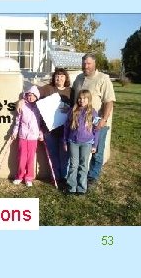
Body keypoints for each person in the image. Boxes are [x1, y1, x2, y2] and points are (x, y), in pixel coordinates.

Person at [70, 53, 115, 184]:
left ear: (95, 64)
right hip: (80, 123)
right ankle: (79, 174)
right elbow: (74, 98)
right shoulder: (78, 78)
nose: (86, 66)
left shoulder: (103, 79)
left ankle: (92, 177)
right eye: (84, 63)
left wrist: (103, 120)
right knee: (81, 149)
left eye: (89, 63)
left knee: (97, 152)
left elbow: (109, 101)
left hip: (97, 122)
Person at [63, 89, 100, 195]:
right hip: (72, 142)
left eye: (84, 98)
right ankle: (71, 187)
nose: (81, 100)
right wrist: (65, 141)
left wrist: (94, 144)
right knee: (73, 165)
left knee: (83, 165)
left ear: (89, 100)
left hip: (87, 143)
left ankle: (81, 188)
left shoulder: (93, 112)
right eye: (80, 98)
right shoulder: (72, 111)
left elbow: (96, 129)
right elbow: (66, 128)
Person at [37, 68, 72, 181]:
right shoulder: (48, 88)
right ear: (54, 77)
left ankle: (65, 177)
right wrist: (22, 100)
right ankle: (56, 177)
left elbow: (77, 106)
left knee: (64, 155)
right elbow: (34, 92)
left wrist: (69, 109)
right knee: (53, 155)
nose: (59, 78)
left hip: (65, 131)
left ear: (66, 78)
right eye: (57, 76)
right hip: (49, 129)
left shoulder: (71, 91)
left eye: (62, 76)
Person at [10, 86, 43, 187]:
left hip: (33, 137)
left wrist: (41, 134)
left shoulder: (39, 107)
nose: (30, 97)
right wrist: (14, 132)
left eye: (33, 96)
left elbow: (41, 123)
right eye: (29, 95)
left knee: (30, 158)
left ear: (36, 97)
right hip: (23, 136)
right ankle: (19, 176)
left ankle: (29, 178)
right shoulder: (23, 106)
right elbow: (17, 121)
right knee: (22, 158)